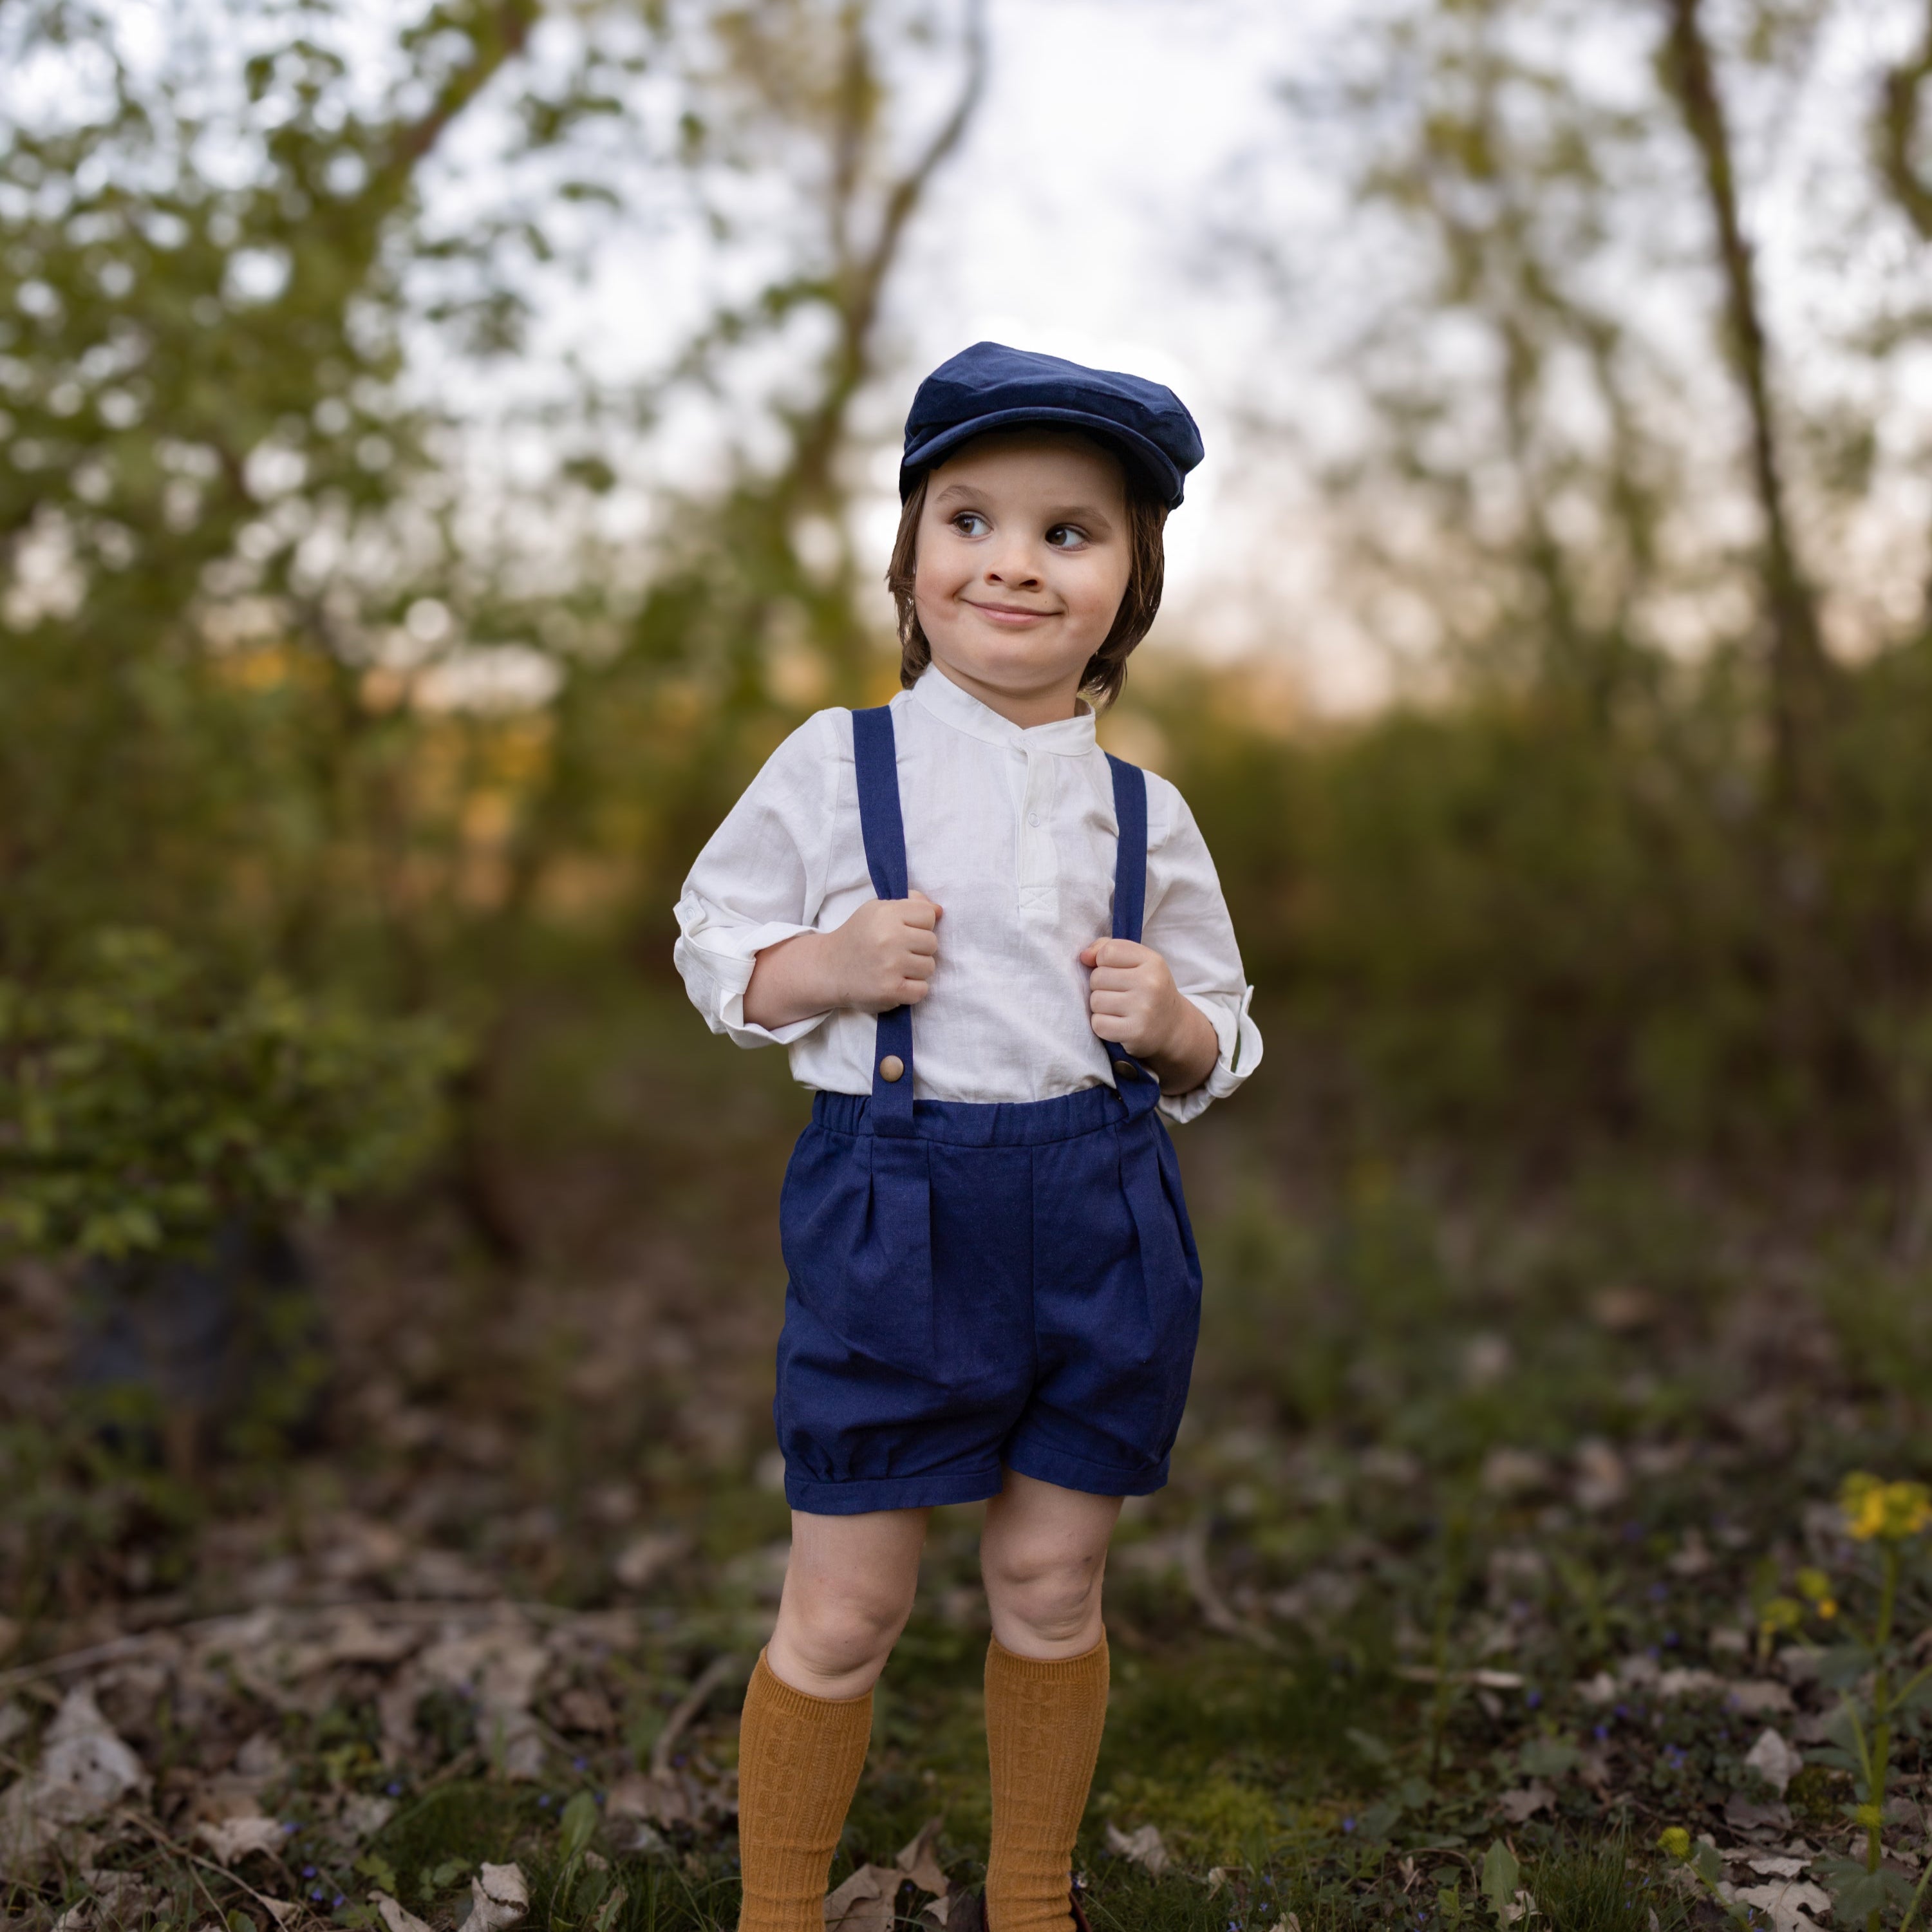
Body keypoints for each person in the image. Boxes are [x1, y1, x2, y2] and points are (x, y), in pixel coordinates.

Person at [673, 342, 1263, 1932]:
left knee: (1050, 1583)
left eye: (1069, 532)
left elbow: (1225, 1017)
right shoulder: (833, 761)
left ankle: (1027, 1896)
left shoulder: (1142, 810)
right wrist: (828, 968)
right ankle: (780, 1906)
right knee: (849, 1601)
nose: (1012, 560)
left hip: (1099, 1209)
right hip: (892, 1206)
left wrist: (1180, 1024)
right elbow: (713, 944)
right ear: (912, 555)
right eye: (970, 520)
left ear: (1128, 582)